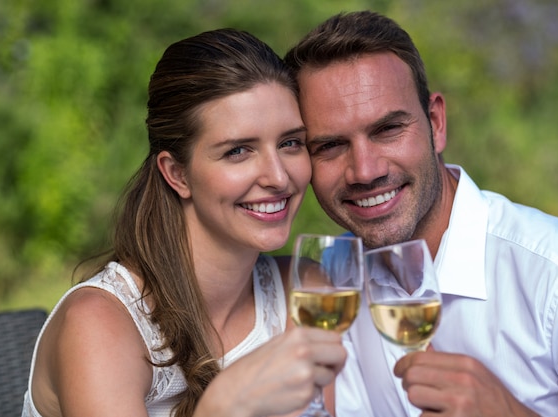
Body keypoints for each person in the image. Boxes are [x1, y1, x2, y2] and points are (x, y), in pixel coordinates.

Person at [284, 10, 558, 417]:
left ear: (436, 123)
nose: (365, 170)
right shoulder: (328, 288)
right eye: (330, 146)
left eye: (387, 130)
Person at [21, 28, 347, 417]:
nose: (278, 177)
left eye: (290, 143)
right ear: (176, 174)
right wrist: (224, 406)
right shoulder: (99, 326)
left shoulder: (306, 291)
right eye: (239, 151)